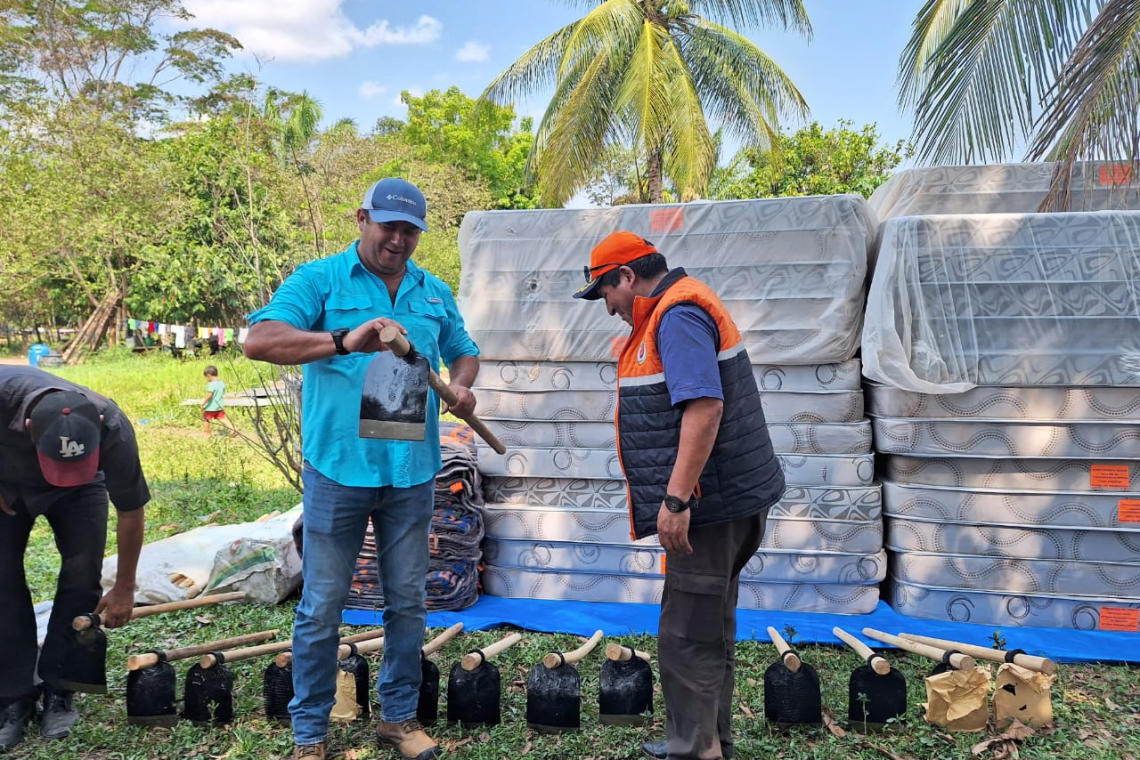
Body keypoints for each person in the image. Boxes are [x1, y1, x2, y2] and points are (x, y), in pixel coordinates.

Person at [243, 177, 480, 760]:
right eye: (388, 226)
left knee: (408, 601)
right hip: (339, 469)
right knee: (322, 604)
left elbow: (464, 349)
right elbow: (259, 341)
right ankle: (310, 734)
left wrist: (463, 388)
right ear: (361, 219)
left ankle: (398, 719)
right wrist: (345, 341)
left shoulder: (432, 291)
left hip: (411, 469)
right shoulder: (319, 279)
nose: (398, 239)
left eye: (410, 231)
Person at [573, 231, 786, 760]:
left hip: (710, 507)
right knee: (710, 625)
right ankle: (709, 741)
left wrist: (675, 502)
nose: (609, 309)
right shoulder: (679, 306)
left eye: (607, 294)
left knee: (686, 635)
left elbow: (704, 407)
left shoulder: (676, 316)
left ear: (626, 276)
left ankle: (696, 750)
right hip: (731, 498)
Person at [0, 367, 149, 750]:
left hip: (82, 492)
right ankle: (14, 694)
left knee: (82, 577)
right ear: (28, 425)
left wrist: (124, 588)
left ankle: (59, 688)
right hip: (9, 480)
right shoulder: (2, 395)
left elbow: (130, 511)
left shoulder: (113, 427)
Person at [201, 366, 238, 438]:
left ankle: (207, 433)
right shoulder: (221, 383)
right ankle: (233, 429)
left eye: (206, 377)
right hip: (219, 406)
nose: (206, 379)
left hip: (211, 407)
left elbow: (209, 395)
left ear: (208, 376)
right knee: (222, 418)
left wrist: (203, 403)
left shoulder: (212, 384)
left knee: (206, 419)